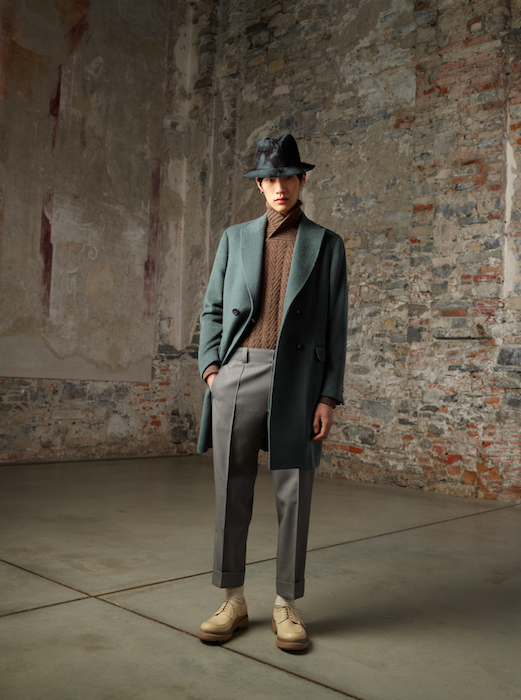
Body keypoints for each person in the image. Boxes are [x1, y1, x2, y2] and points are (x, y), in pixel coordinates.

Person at [196, 134, 348, 651]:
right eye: (268, 179)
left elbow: (336, 327)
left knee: (294, 493)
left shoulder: (327, 244)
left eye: (287, 177)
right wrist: (212, 370)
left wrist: (327, 397)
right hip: (238, 373)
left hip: (299, 378)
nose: (278, 187)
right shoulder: (234, 238)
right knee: (231, 489)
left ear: (301, 180)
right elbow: (213, 309)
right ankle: (233, 599)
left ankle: (286, 604)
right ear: (259, 186)